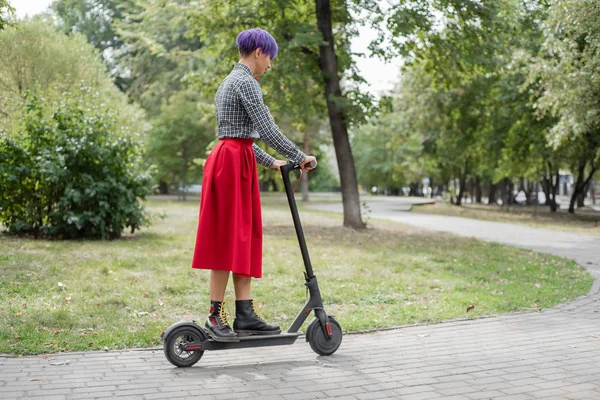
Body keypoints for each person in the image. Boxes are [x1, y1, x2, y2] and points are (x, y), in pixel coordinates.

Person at [191, 28, 317, 341]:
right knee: (227, 239)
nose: (270, 66)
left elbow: (240, 136)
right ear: (259, 51)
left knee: (243, 238)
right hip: (231, 166)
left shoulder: (231, 81)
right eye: (270, 58)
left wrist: (271, 162)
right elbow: (266, 129)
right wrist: (299, 156)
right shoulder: (245, 81)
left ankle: (245, 313)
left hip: (237, 160)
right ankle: (215, 315)